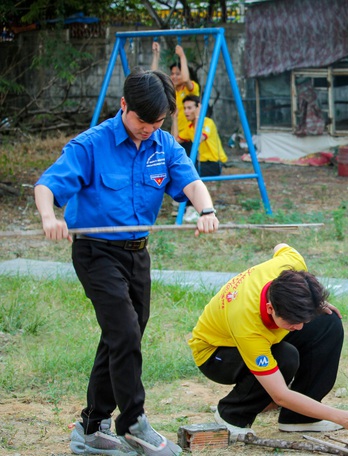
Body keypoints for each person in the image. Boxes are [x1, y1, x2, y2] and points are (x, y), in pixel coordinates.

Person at [34, 67, 220, 456]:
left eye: (157, 121)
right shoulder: (91, 145)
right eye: (142, 120)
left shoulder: (164, 144)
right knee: (124, 333)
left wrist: (206, 209)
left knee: (122, 335)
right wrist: (50, 217)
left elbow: (189, 181)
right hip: (96, 252)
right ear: (123, 106)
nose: (148, 128)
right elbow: (47, 185)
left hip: (138, 254)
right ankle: (132, 423)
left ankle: (90, 427)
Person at [188, 243, 348, 439]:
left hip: (262, 331)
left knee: (326, 321)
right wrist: (341, 417)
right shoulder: (247, 323)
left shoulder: (291, 264)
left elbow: (280, 246)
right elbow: (279, 394)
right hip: (215, 354)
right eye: (293, 322)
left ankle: (300, 418)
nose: (299, 327)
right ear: (271, 308)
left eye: (301, 320)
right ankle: (232, 415)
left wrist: (314, 302)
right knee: (285, 357)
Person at [152, 41, 200, 156]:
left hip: (190, 135)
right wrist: (156, 55)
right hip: (177, 134)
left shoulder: (191, 89)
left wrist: (182, 56)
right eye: (172, 74)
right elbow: (153, 77)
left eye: (177, 74)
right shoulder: (171, 90)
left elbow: (185, 79)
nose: (174, 76)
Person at [173, 94, 228, 177]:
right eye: (184, 108)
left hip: (214, 163)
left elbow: (198, 139)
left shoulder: (208, 122)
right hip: (200, 162)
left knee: (187, 172)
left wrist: (198, 116)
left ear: (198, 108)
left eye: (189, 108)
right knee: (179, 166)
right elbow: (174, 141)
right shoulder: (190, 127)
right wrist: (174, 118)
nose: (186, 111)